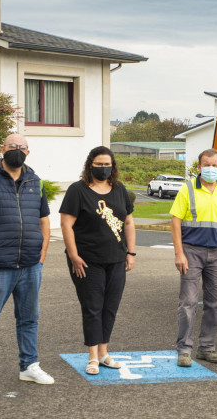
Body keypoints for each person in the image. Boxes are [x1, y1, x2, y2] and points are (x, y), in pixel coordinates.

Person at [0, 133, 53, 392]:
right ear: (2, 148)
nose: (17, 150)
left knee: (29, 319)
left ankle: (29, 366)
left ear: (28, 152)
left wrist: (42, 252)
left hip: (30, 264)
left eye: (22, 147)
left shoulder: (35, 181)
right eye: (12, 146)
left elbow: (44, 220)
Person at [60, 146, 136, 375]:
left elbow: (129, 222)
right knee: (92, 307)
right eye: (99, 164)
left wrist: (131, 253)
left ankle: (104, 353)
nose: (103, 168)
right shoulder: (78, 190)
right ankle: (92, 356)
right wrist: (73, 255)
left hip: (116, 260)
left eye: (107, 164)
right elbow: (66, 225)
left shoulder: (119, 189)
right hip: (86, 261)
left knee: (110, 307)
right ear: (90, 165)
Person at [170, 148, 217, 367]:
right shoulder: (187, 189)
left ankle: (207, 348)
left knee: (214, 303)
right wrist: (179, 253)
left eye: (215, 165)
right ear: (199, 167)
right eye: (206, 165)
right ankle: (184, 350)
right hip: (192, 252)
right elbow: (175, 221)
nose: (211, 169)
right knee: (188, 302)